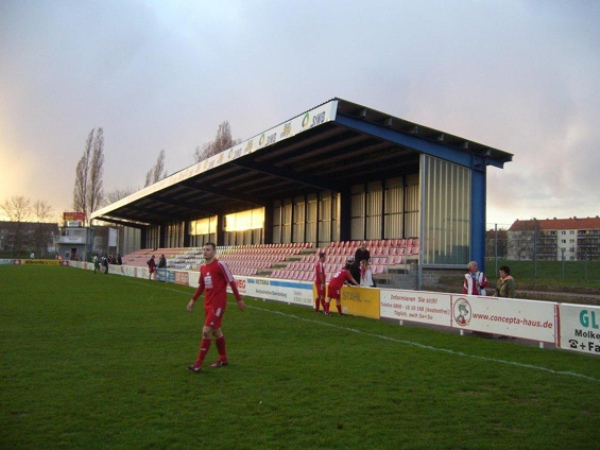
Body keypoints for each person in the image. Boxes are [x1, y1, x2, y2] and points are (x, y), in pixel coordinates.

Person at [187, 243, 246, 372]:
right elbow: (201, 286)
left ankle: (197, 364)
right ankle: (223, 359)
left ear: (214, 252)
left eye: (208, 250)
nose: (205, 252)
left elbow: (231, 281)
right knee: (216, 331)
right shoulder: (203, 268)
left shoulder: (220, 265)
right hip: (207, 304)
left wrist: (239, 299)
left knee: (206, 331)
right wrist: (193, 300)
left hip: (218, 304)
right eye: (204, 249)